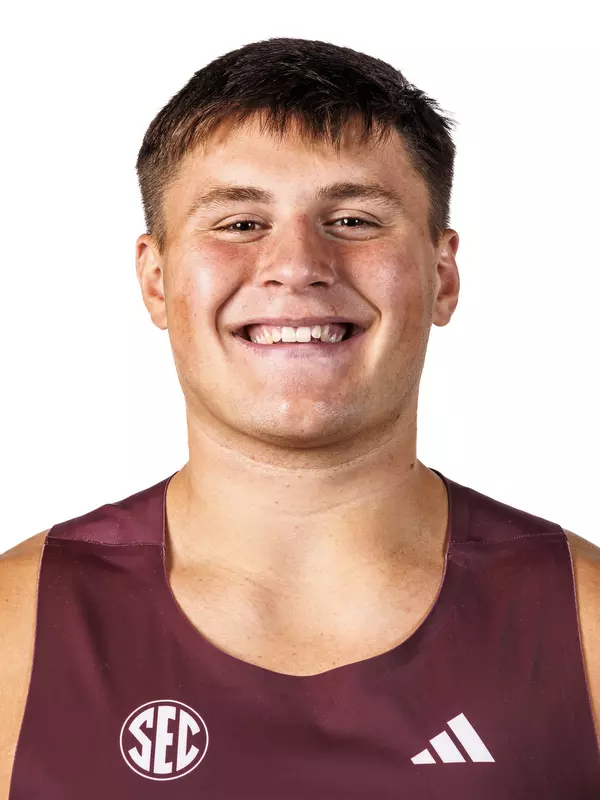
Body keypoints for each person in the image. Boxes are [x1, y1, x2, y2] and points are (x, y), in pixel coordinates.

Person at [1, 36, 599, 798]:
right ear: (155, 279)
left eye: (353, 219)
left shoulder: (583, 621)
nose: (297, 264)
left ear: (442, 274)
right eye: (239, 223)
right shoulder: (17, 628)